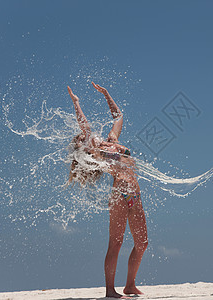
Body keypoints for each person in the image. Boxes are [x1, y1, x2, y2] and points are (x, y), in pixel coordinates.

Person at [67, 82, 148, 298]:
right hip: (120, 197)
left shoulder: (113, 140)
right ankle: (110, 290)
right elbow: (84, 125)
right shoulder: (98, 150)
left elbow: (118, 116)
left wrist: (106, 94)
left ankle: (130, 285)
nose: (95, 135)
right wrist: (76, 103)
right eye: (88, 137)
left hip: (136, 195)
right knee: (116, 244)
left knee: (142, 243)